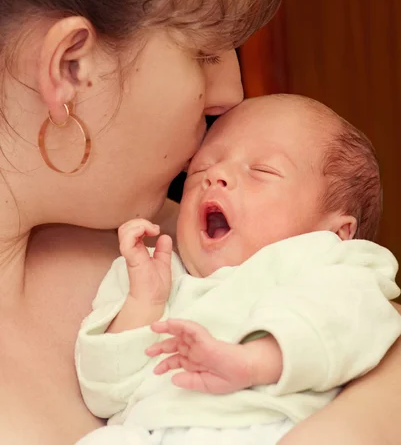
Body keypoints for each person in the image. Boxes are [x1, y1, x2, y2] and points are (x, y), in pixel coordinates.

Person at [0, 0, 400, 444]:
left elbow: (365, 317)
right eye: (207, 52)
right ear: (73, 65)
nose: (232, 95)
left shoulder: (172, 237)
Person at [75, 95, 401, 445]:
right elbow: (104, 394)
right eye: (200, 169)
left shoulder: (326, 262)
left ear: (336, 233)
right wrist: (143, 304)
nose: (215, 176)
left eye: (261, 171)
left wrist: (254, 362)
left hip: (267, 425)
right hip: (150, 433)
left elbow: (354, 321)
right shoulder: (153, 273)